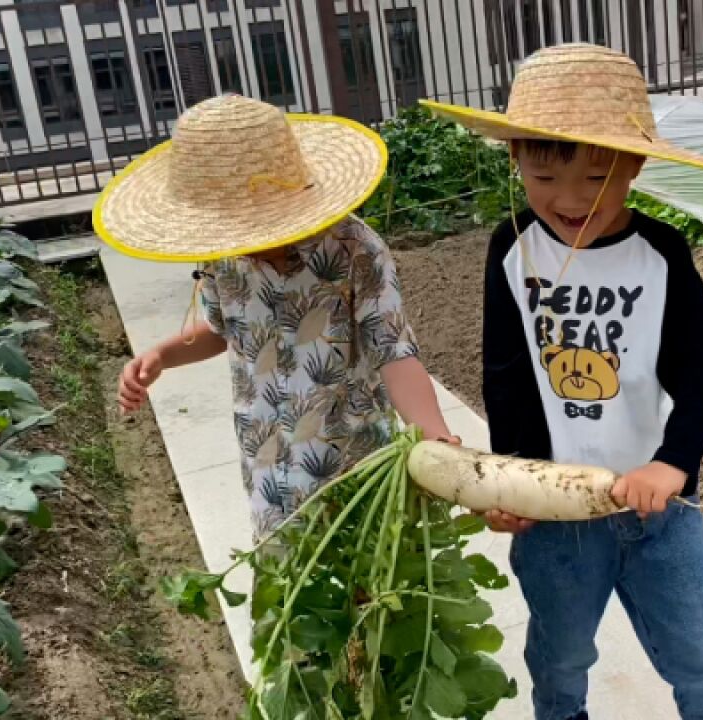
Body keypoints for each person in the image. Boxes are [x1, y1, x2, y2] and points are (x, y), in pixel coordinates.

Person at [421, 44, 703, 720]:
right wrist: (508, 480)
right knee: (560, 662)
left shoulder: (661, 253)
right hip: (554, 513)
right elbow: (507, 375)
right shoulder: (511, 247)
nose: (569, 200)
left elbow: (700, 372)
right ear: (515, 158)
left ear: (635, 162)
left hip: (658, 511)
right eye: (544, 176)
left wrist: (674, 463)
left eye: (598, 176)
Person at [97, 94, 456, 538]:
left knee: (364, 588)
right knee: (285, 588)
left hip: (354, 468)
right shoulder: (223, 257)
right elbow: (221, 328)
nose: (242, 238)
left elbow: (394, 351)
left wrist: (435, 438)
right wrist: (162, 356)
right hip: (267, 467)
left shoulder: (355, 250)